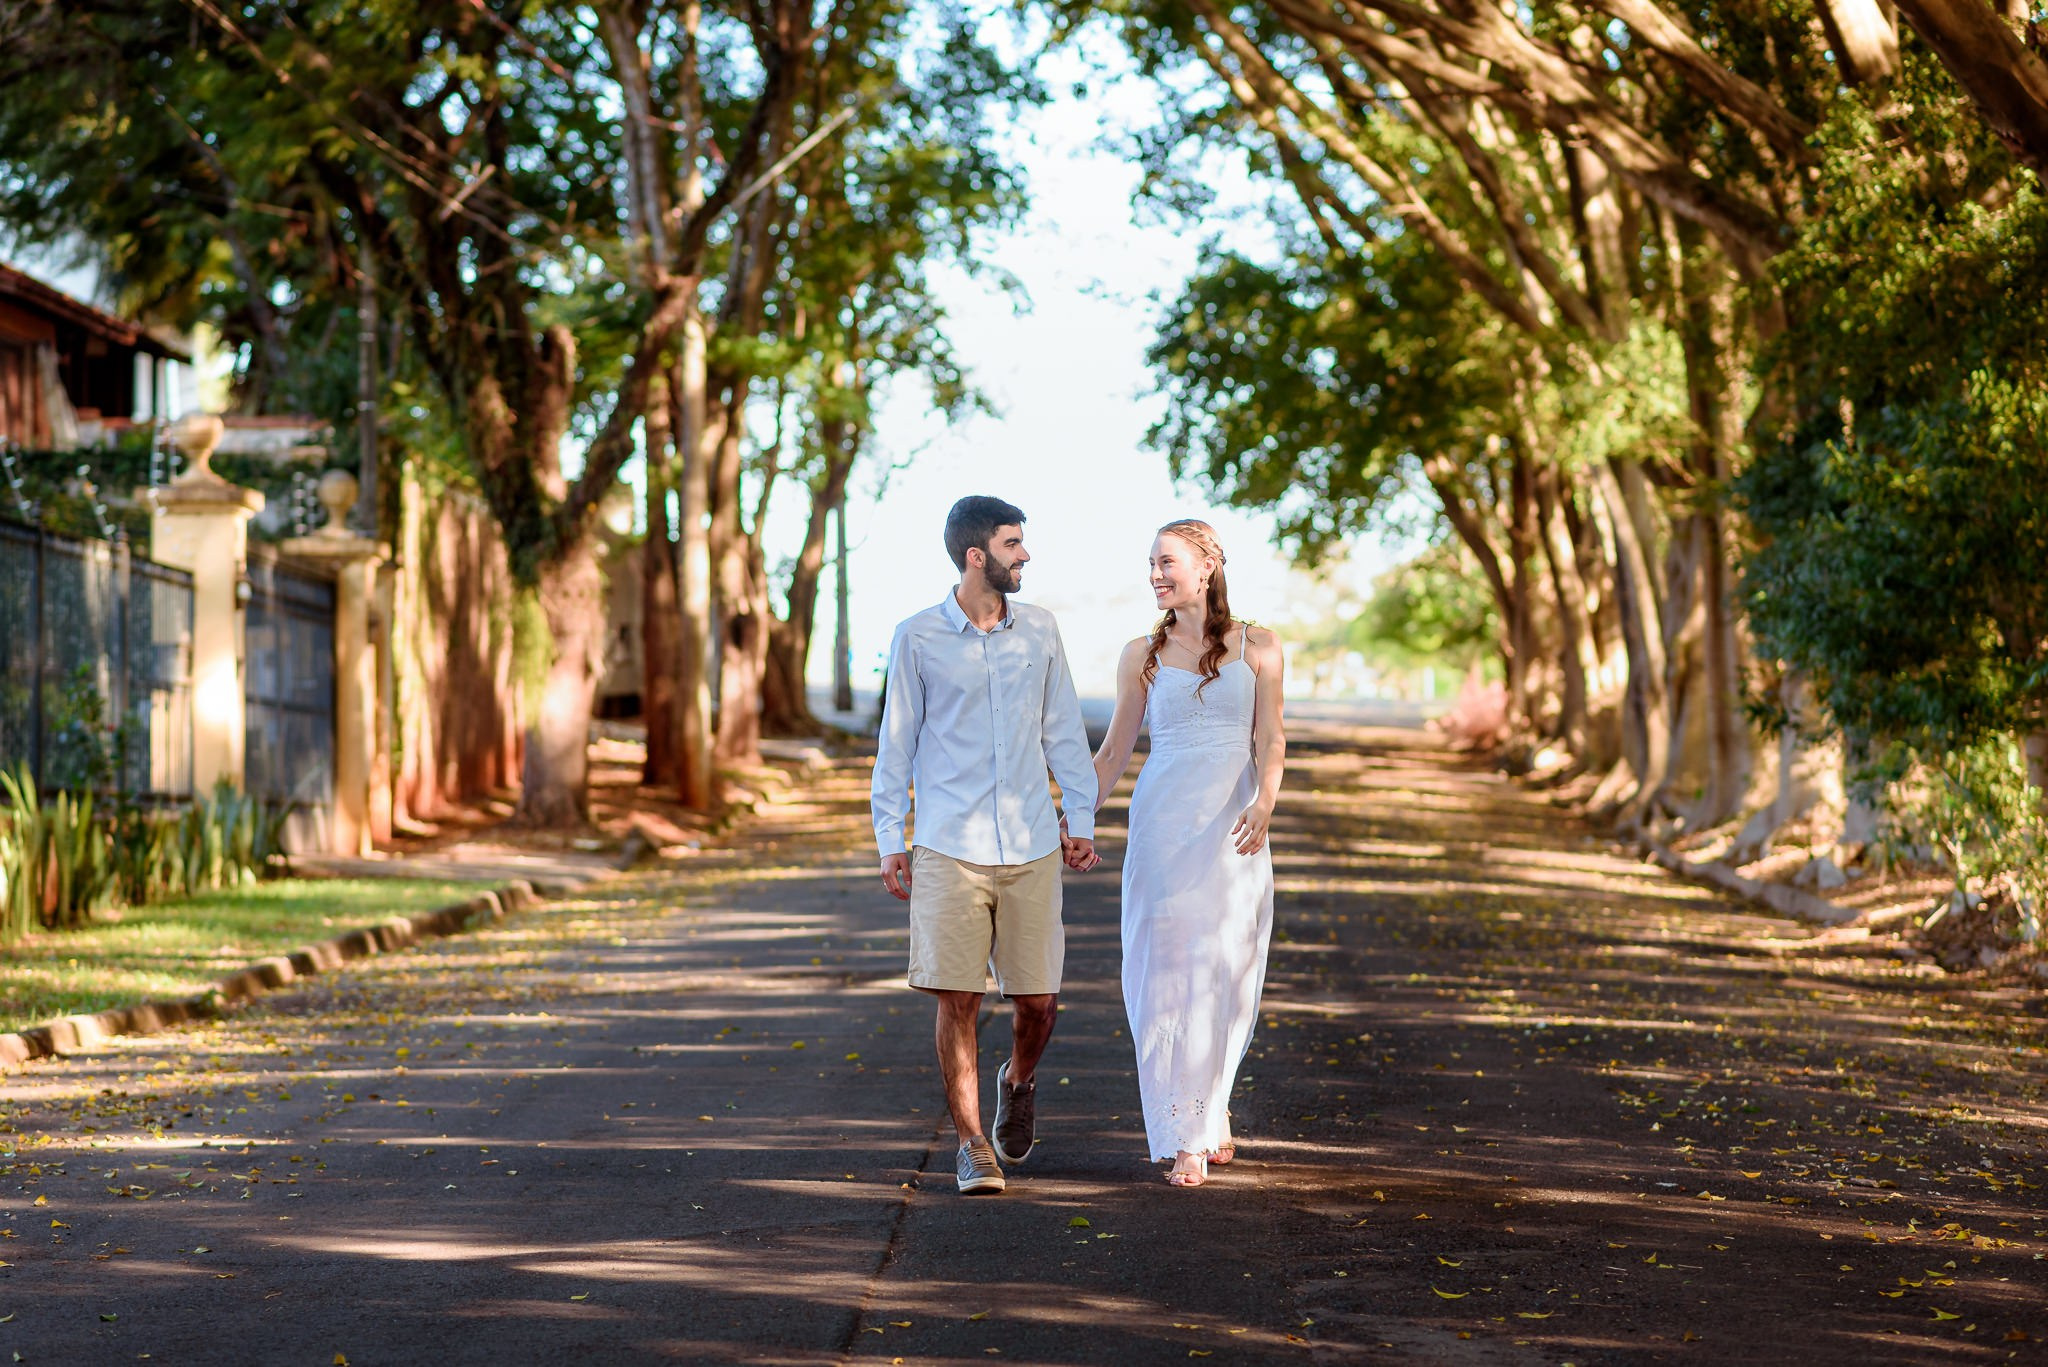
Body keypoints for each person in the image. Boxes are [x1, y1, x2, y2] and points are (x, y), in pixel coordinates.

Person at [871, 495, 1099, 1196]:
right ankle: (972, 1144)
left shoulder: (1041, 630)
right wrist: (890, 836)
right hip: (948, 845)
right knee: (958, 999)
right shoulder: (916, 637)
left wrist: (1080, 816)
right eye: (1012, 544)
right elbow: (896, 743)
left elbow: (1063, 729)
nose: (1024, 554)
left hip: (1031, 842)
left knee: (1039, 1003)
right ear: (977, 555)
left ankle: (1018, 1081)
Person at [1085, 518, 1284, 1187]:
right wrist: (1073, 817)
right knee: (1168, 974)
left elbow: (1271, 738)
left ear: (1207, 565)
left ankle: (1211, 1103)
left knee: (1227, 968)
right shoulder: (1141, 653)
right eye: (1151, 564)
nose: (1155, 575)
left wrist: (1265, 801)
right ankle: (1186, 1136)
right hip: (1163, 831)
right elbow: (1114, 751)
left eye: (1166, 562)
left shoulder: (1259, 645)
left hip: (1233, 830)